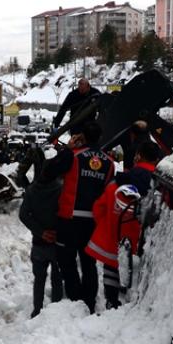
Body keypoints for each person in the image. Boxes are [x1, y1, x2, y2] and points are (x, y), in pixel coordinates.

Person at [41, 121, 114, 313]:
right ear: (100, 137)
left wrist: (67, 149)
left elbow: (48, 172)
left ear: (82, 137)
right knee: (89, 263)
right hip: (93, 221)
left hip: (69, 218)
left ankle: (75, 300)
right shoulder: (109, 163)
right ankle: (89, 302)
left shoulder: (73, 156)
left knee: (66, 260)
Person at [85, 183, 142, 310]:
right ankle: (127, 294)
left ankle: (111, 299)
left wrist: (105, 225)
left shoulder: (112, 188)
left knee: (110, 268)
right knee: (128, 268)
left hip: (111, 238)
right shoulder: (144, 190)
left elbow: (98, 209)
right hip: (133, 240)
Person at [18, 167, 64, 318]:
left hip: (38, 243)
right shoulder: (61, 189)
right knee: (57, 278)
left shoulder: (31, 190)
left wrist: (41, 232)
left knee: (39, 279)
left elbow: (23, 215)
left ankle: (37, 310)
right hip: (57, 242)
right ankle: (56, 311)